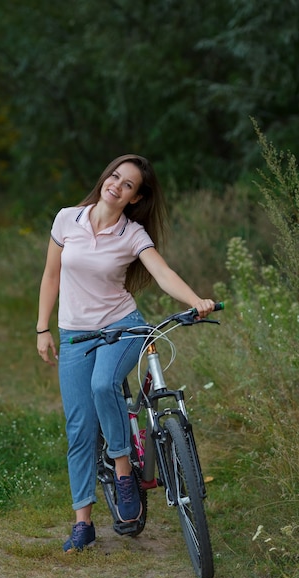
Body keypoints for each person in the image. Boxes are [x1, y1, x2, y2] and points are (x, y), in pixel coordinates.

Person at [37, 154, 215, 553]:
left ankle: (123, 472)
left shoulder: (132, 234)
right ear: (105, 178)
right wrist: (42, 327)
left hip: (123, 326)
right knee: (80, 429)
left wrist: (196, 299)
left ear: (135, 198)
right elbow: (51, 275)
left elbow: (163, 273)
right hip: (75, 335)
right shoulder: (68, 219)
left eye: (128, 184)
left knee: (105, 385)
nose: (117, 185)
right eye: (114, 176)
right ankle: (83, 523)